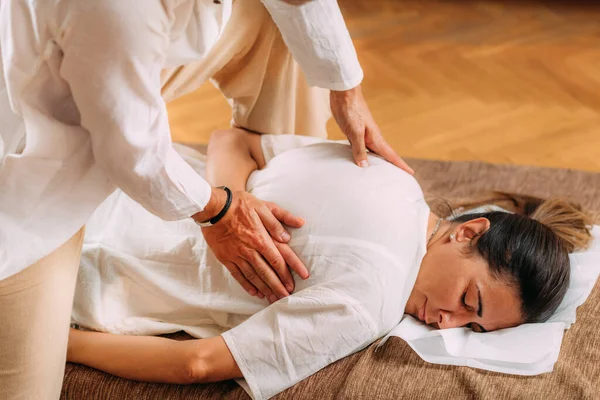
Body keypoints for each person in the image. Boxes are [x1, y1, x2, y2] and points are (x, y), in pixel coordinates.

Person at [0, 0, 414, 397]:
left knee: (278, 19)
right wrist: (219, 212)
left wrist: (345, 87)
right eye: (470, 299)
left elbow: (296, 9)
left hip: (98, 65)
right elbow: (132, 150)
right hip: (29, 158)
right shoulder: (116, 9)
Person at [66, 129, 592, 400]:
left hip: (91, 167)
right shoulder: (373, 305)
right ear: (469, 231)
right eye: (466, 302)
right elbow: (197, 365)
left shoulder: (389, 173)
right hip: (76, 268)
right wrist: (53, 341)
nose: (446, 323)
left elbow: (234, 140)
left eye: (472, 326)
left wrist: (225, 205)